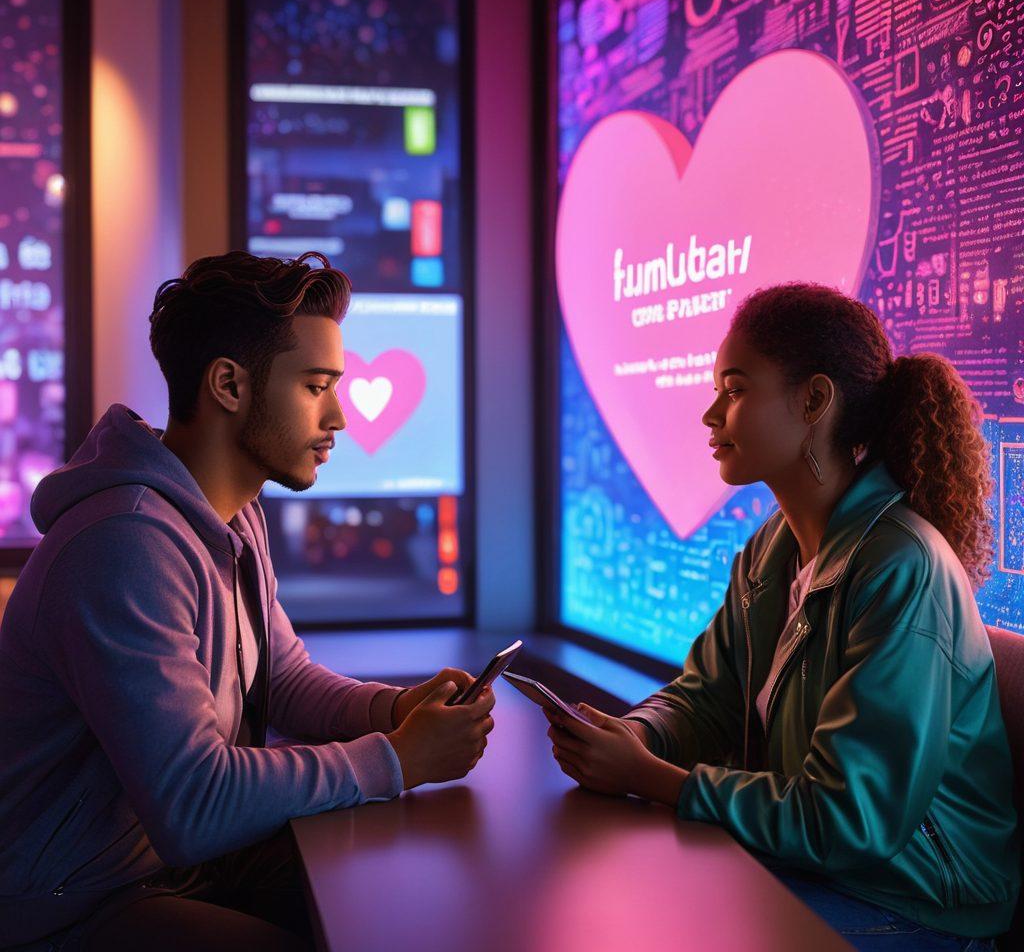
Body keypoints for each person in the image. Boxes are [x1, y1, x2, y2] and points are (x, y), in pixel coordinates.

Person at [0, 251, 495, 950]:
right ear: (229, 384)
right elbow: (194, 802)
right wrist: (399, 760)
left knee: (409, 908)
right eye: (316, 386)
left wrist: (394, 710)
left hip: (169, 868)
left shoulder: (234, 515)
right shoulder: (124, 545)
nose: (339, 418)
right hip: (71, 904)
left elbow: (283, 680)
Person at [545, 283, 1019, 950]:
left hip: (916, 902)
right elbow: (708, 699)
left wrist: (651, 778)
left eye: (735, 390)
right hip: (820, 870)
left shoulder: (900, 565)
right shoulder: (773, 549)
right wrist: (632, 734)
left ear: (814, 401)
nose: (711, 415)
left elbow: (850, 821)